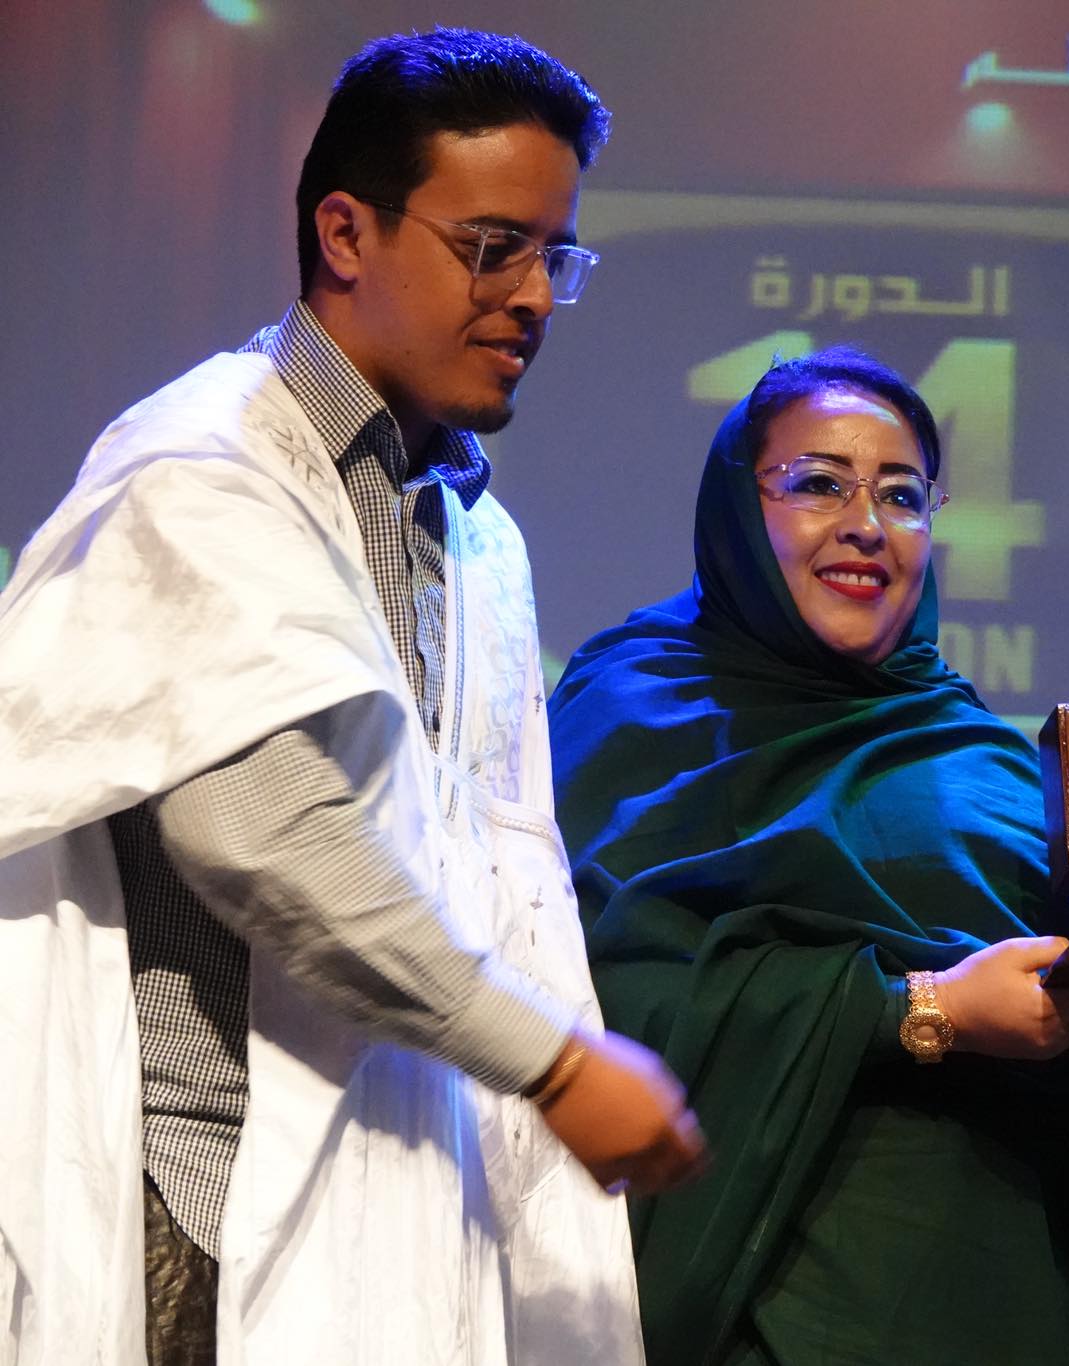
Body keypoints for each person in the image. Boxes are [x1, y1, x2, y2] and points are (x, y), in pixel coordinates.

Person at [0, 29, 705, 1366]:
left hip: (408, 1212)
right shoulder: (205, 469)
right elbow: (264, 827)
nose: (535, 297)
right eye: (493, 247)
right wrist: (554, 1061)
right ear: (344, 233)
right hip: (206, 1215)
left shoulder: (475, 535)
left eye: (557, 257)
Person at [549, 347, 1069, 1365]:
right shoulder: (633, 711)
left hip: (1026, 1303)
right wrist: (922, 1011)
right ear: (737, 506)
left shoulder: (985, 759)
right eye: (819, 484)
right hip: (772, 1311)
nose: (865, 525)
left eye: (902, 495)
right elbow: (599, 1007)